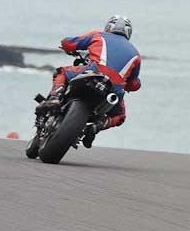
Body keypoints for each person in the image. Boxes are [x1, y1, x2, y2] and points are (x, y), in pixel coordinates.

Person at [36, 15, 141, 148]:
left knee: (61, 72)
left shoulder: (98, 35)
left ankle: (55, 98)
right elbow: (133, 84)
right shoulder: (136, 54)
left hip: (93, 72)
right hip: (113, 89)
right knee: (120, 116)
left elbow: (68, 43)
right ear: (128, 33)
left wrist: (67, 47)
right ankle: (96, 126)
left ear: (109, 27)